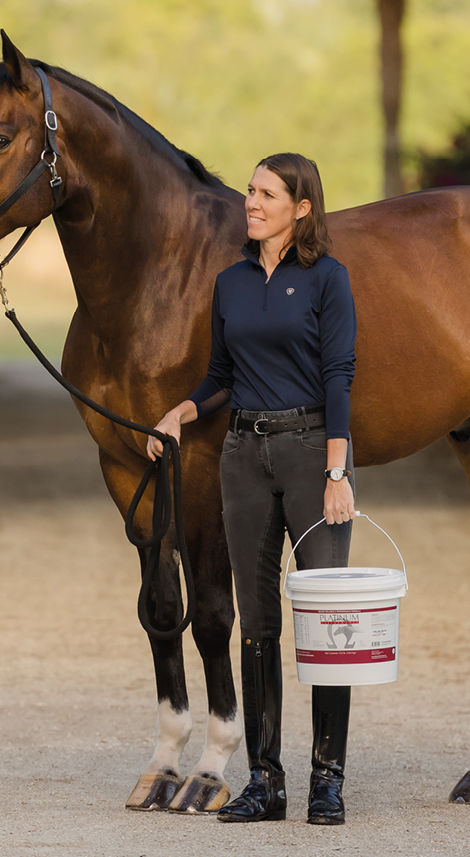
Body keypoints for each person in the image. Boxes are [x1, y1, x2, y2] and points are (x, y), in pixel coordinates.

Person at [147, 152, 357, 825]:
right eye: (249, 190)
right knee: (257, 623)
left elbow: (338, 376)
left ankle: (327, 781)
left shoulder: (327, 279)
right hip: (241, 454)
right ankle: (265, 781)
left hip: (307, 452)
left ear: (301, 208)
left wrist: (333, 472)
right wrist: (178, 414)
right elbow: (218, 376)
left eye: (267, 193)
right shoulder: (230, 282)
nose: (252, 201)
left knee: (323, 626)